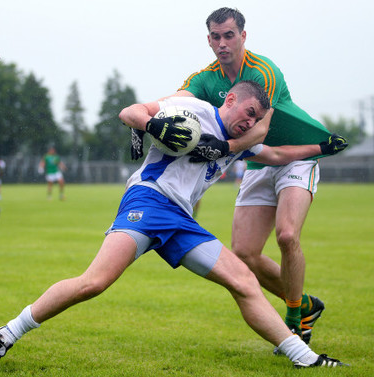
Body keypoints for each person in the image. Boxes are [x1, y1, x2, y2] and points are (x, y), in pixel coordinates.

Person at [0, 81, 347, 371]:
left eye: (256, 120)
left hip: (181, 220)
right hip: (149, 201)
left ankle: (306, 358)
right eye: (248, 112)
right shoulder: (194, 109)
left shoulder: (236, 143)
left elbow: (278, 154)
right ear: (230, 100)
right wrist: (150, 124)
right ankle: (5, 334)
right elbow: (131, 111)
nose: (249, 122)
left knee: (244, 281)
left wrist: (321, 147)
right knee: (94, 282)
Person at [130, 7, 347, 349]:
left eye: (229, 35)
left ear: (243, 36)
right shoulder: (205, 78)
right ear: (209, 40)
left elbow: (261, 129)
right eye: (215, 37)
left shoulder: (264, 71)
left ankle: (294, 323)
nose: (222, 43)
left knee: (287, 235)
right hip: (258, 162)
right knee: (245, 253)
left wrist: (224, 147)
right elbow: (172, 103)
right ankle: (304, 305)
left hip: (294, 155)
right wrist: (144, 121)